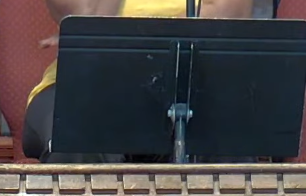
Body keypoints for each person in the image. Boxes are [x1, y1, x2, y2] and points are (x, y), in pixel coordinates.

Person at [21, 0, 259, 163]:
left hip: (189, 87)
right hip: (85, 86)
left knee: (230, 143)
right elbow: (89, 20)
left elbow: (223, 24)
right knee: (80, 136)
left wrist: (128, 35)